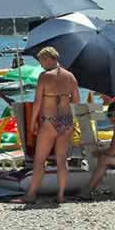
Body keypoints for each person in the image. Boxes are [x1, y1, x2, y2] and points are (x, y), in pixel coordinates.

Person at [23, 46, 80, 204]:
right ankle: (61, 195)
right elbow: (76, 101)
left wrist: (32, 122)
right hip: (66, 122)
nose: (41, 65)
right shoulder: (70, 76)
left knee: (40, 160)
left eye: (41, 60)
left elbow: (37, 102)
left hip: (49, 121)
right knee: (62, 159)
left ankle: (31, 194)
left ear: (49, 58)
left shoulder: (45, 76)